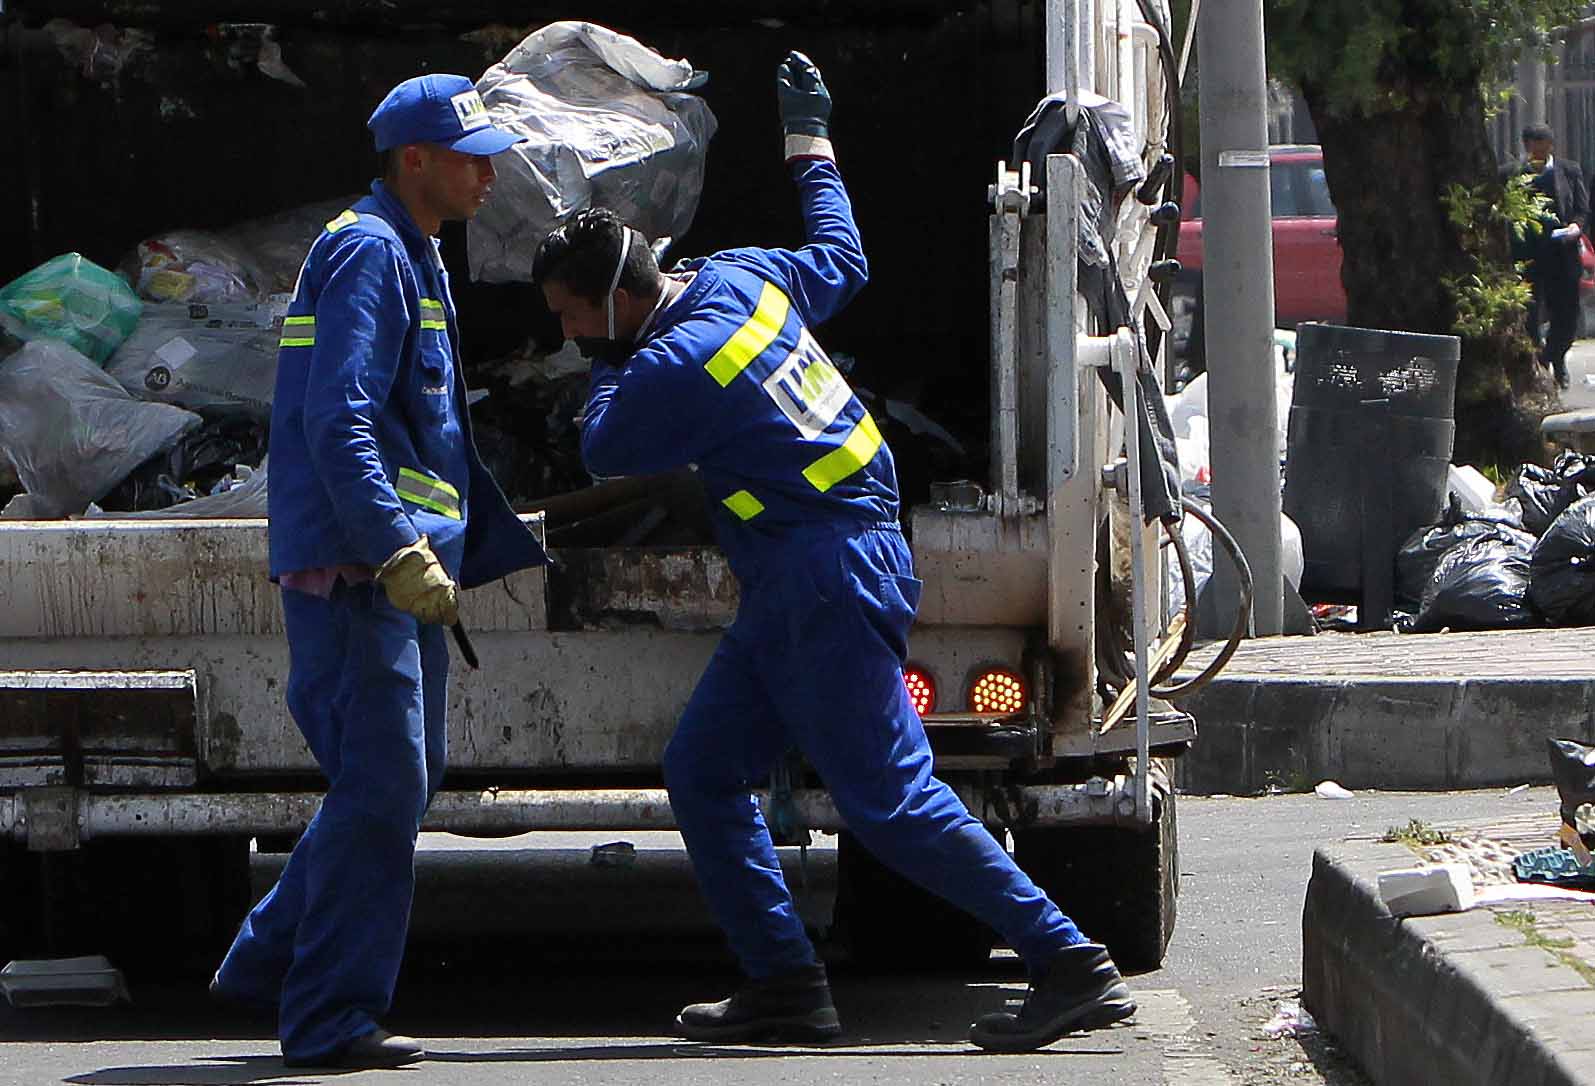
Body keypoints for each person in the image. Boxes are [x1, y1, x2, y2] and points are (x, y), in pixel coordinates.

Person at [532, 50, 1135, 1054]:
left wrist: (601, 361)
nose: (561, 332)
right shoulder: (739, 278)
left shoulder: (671, 364)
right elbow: (841, 258)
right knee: (705, 769)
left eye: (566, 318)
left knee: (888, 799)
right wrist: (808, 144)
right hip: (811, 573)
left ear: (612, 304)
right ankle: (781, 984)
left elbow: (600, 442)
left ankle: (1068, 959)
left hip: (822, 575)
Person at [209, 74, 547, 1069]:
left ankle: (270, 953)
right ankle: (326, 1017)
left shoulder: (412, 249)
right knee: (388, 784)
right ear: (413, 159)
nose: (487, 172)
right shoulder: (368, 251)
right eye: (469, 154)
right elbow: (337, 416)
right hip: (363, 575)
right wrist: (394, 544)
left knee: (395, 782)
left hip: (400, 569)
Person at [1516, 122, 1589, 390]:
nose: (1537, 154)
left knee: (1567, 315)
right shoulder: (1514, 175)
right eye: (1533, 148)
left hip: (1563, 253)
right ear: (1526, 147)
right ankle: (1539, 366)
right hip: (1531, 256)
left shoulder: (1569, 171)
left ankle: (1553, 357)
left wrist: (1576, 226)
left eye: (1542, 148)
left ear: (1551, 147)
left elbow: (1582, 209)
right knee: (1530, 315)